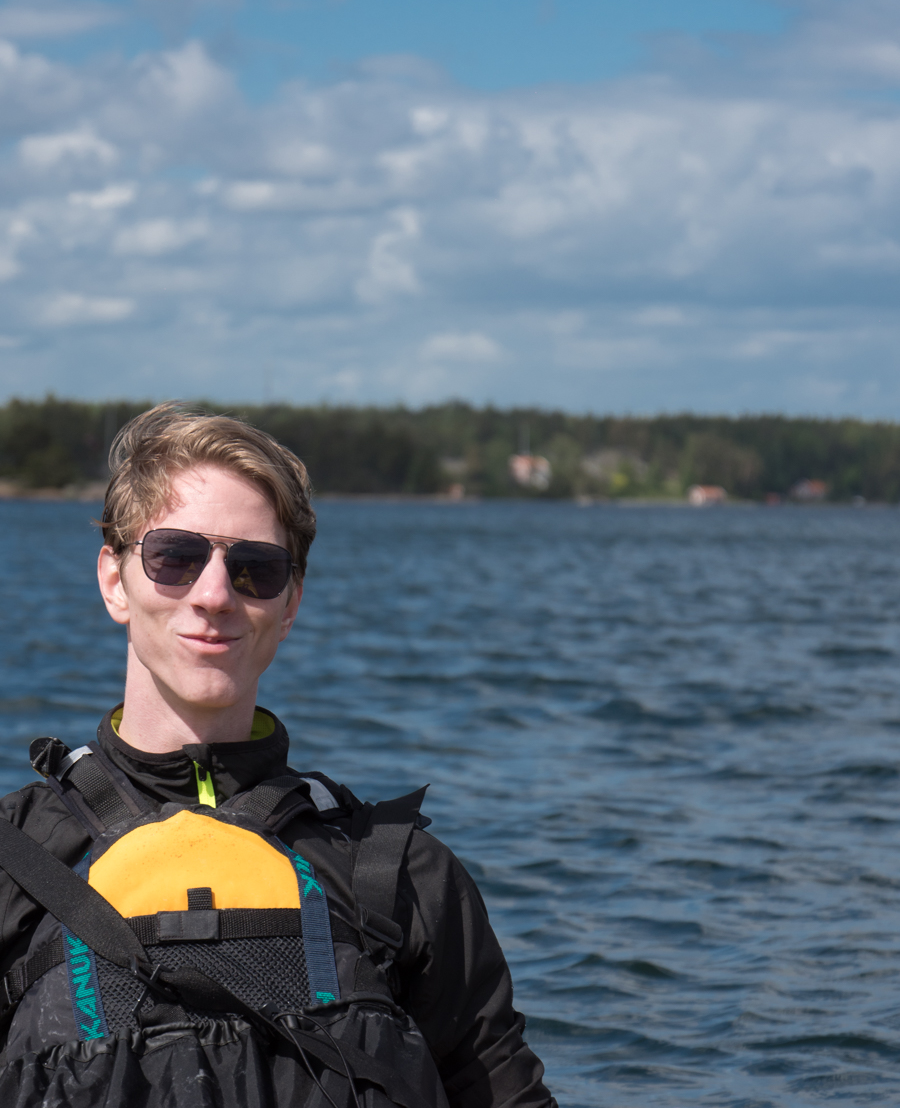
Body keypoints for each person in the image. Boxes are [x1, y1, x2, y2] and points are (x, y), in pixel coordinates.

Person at [0, 404, 556, 1108]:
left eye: (255, 568)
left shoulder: (397, 876)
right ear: (116, 579)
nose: (214, 595)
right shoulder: (16, 860)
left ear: (290, 603)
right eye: (175, 556)